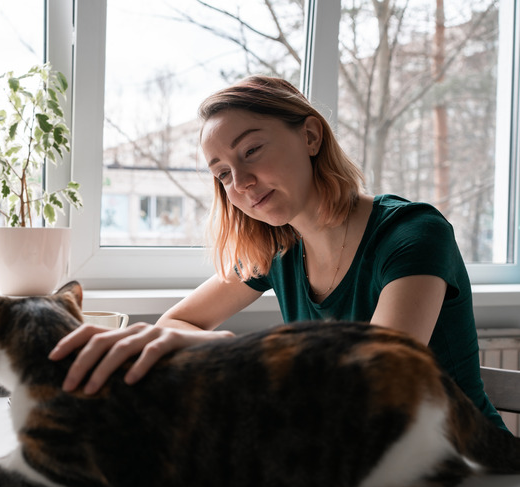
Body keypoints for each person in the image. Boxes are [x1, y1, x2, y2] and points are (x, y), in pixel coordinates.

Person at [49, 75, 506, 429]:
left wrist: (232, 352)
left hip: (466, 472)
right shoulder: (277, 248)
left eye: (251, 150)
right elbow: (178, 323)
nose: (241, 182)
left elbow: (371, 387)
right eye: (223, 174)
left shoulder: (414, 234)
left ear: (310, 136)